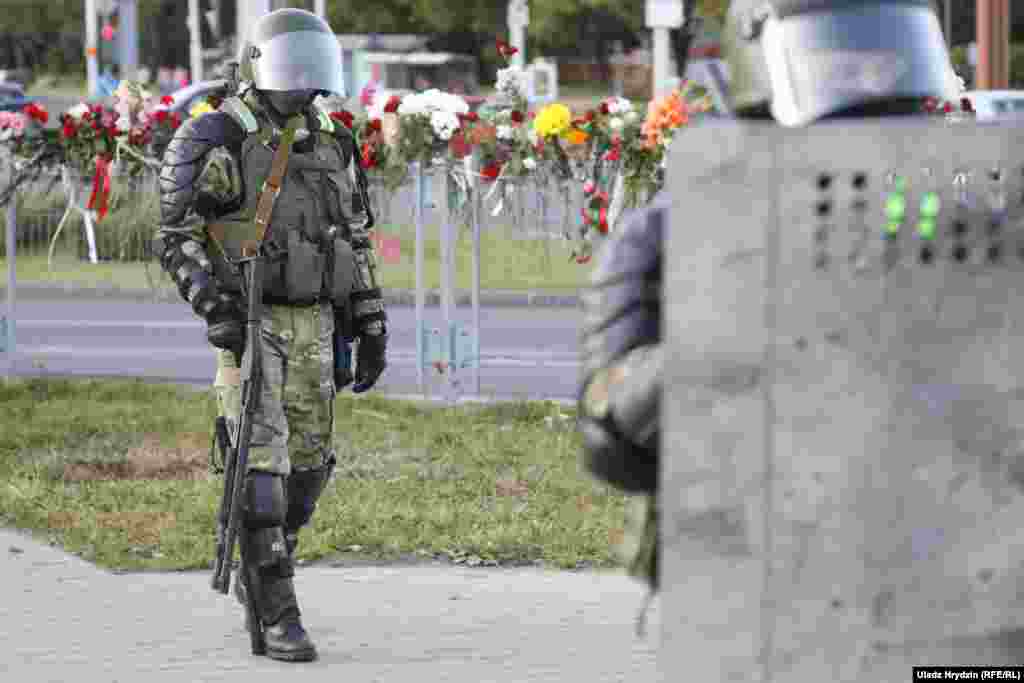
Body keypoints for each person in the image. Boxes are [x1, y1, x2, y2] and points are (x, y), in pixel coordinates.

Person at [576, 0, 961, 593]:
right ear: (761, 71)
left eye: (887, 65)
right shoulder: (677, 226)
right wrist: (733, 326)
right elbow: (608, 435)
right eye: (837, 68)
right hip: (753, 563)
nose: (868, 90)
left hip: (945, 554)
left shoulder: (965, 223)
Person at [153, 8, 388, 662]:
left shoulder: (333, 139)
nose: (304, 80)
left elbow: (355, 238)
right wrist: (216, 309)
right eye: (293, 65)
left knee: (308, 469)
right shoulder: (215, 134)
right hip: (252, 321)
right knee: (261, 469)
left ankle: (262, 560)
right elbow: (175, 237)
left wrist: (370, 322)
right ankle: (277, 609)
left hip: (317, 322)